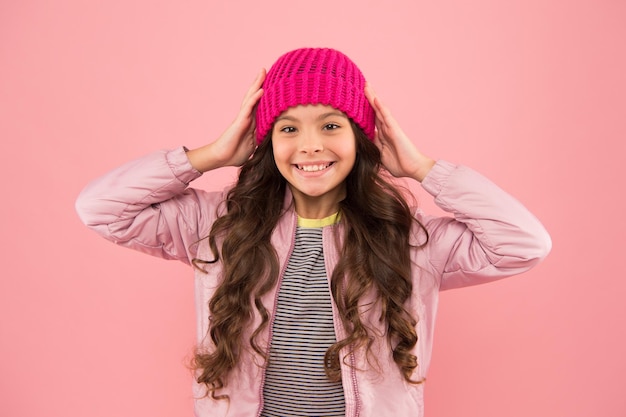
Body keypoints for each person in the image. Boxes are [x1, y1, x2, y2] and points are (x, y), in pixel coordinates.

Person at [75, 47, 551, 417]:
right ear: (266, 140)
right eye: (287, 128)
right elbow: (100, 208)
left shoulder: (408, 241)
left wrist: (423, 168)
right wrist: (213, 154)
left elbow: (524, 243)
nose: (310, 146)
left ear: (361, 137)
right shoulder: (217, 226)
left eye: (330, 125)